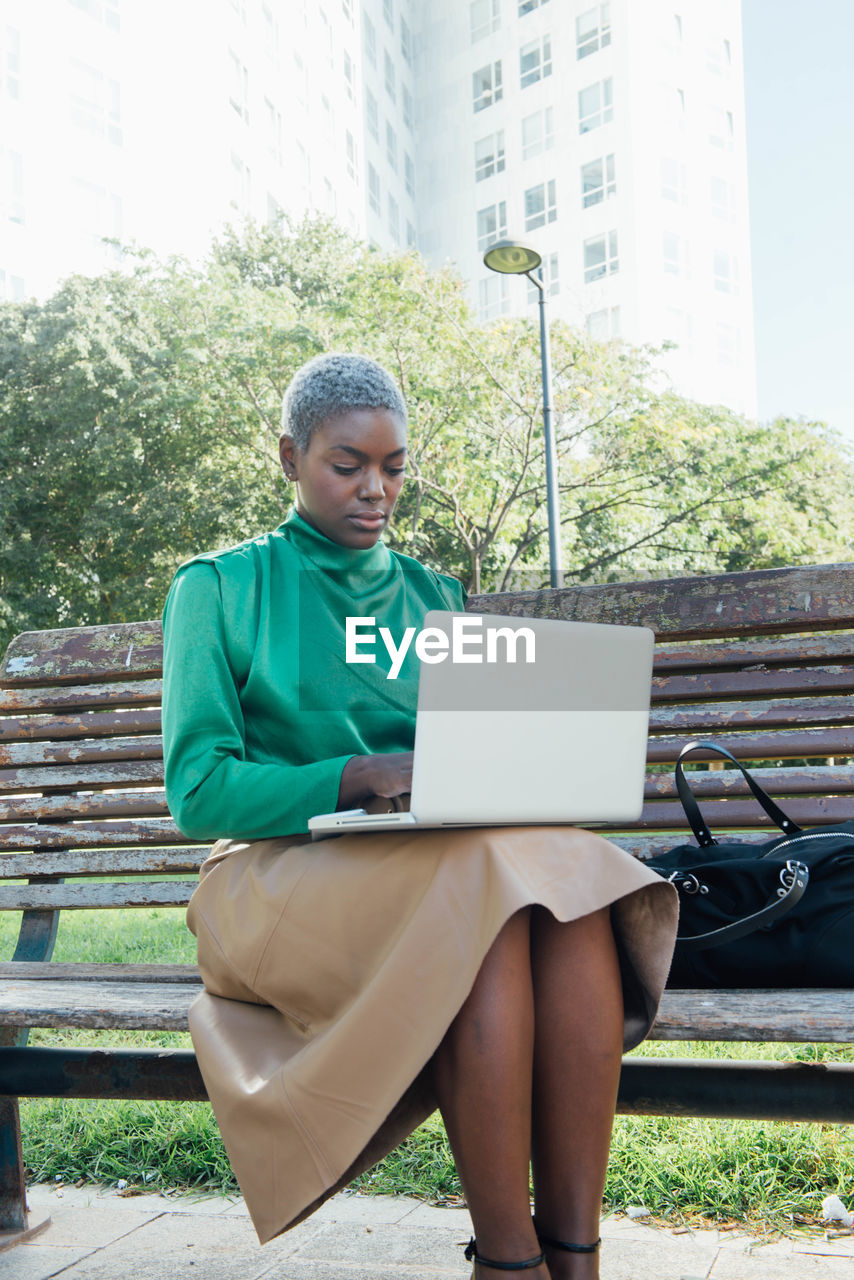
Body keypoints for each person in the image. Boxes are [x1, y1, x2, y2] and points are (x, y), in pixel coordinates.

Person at [162, 352, 678, 1279]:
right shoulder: (219, 588)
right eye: (347, 464)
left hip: (433, 863)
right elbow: (198, 790)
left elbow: (476, 770)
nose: (376, 490)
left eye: (394, 467)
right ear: (290, 457)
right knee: (484, 897)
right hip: (268, 880)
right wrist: (354, 775)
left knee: (573, 890)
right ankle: (510, 1261)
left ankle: (575, 1254)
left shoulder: (437, 598)